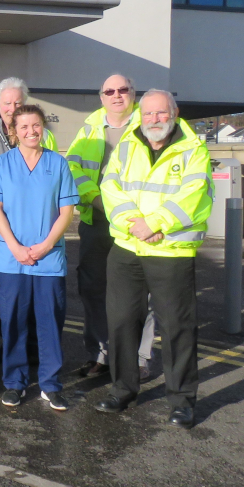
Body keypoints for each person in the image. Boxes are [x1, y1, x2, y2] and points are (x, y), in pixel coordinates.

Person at [95, 89, 212, 429]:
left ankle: (182, 401)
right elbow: (110, 186)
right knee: (121, 322)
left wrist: (156, 223)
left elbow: (193, 195)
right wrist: (135, 223)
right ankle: (122, 390)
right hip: (128, 247)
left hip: (170, 251)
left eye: (161, 113)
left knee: (176, 328)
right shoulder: (127, 145)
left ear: (174, 113)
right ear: (140, 116)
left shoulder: (193, 149)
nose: (154, 119)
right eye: (148, 114)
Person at [0, 104, 78, 411]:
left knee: (50, 323)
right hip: (11, 258)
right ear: (14, 131)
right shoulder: (3, 163)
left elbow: (67, 211)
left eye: (36, 125)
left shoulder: (58, 163)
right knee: (13, 322)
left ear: (43, 127)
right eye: (23, 126)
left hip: (48, 259)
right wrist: (14, 246)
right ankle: (15, 383)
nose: (31, 131)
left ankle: (50, 385)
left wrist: (46, 245)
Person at [65, 74, 156, 380]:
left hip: (136, 222)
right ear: (101, 96)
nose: (116, 95)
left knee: (140, 292)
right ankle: (100, 355)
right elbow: (72, 167)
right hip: (97, 218)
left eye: (123, 90)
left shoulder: (148, 123)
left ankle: (139, 358)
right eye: (109, 91)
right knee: (93, 288)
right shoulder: (90, 126)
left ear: (133, 93)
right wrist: (94, 198)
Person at [0, 77, 55, 363]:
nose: (12, 107)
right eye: (7, 102)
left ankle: (34, 345)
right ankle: (10, 343)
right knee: (5, 289)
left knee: (35, 287)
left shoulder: (45, 136)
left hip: (36, 224)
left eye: (18, 102)